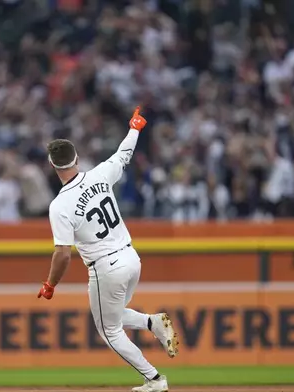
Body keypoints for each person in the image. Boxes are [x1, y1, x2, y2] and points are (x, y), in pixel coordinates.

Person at [38, 107, 178, 392]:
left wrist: (51, 284)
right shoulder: (100, 174)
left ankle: (154, 379)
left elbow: (63, 253)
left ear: (53, 166)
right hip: (131, 257)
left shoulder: (60, 205)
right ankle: (153, 323)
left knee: (108, 330)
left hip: (105, 267)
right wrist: (135, 127)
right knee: (113, 315)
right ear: (76, 158)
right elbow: (124, 154)